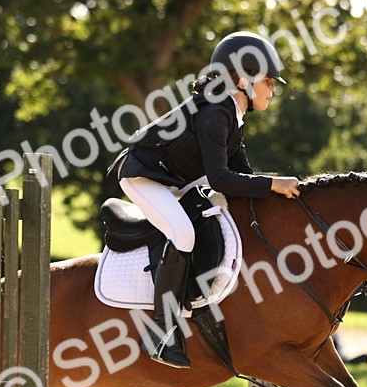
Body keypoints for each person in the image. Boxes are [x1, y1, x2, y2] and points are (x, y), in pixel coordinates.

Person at [108, 31, 302, 369]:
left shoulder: (232, 114)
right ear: (244, 79)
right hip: (144, 176)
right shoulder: (216, 112)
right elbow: (220, 179)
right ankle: (161, 330)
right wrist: (273, 184)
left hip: (171, 178)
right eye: (269, 81)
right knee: (184, 233)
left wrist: (282, 194)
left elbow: (243, 175)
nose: (273, 89)